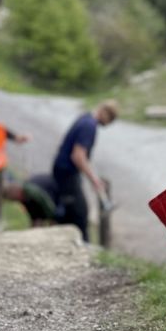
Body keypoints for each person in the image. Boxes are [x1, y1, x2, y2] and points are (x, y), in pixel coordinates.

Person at [52, 100, 118, 242]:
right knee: (79, 213)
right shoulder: (90, 126)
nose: (107, 124)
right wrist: (94, 179)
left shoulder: (85, 118)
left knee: (68, 209)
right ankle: (82, 245)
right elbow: (78, 156)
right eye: (110, 120)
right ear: (105, 113)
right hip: (67, 172)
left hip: (64, 170)